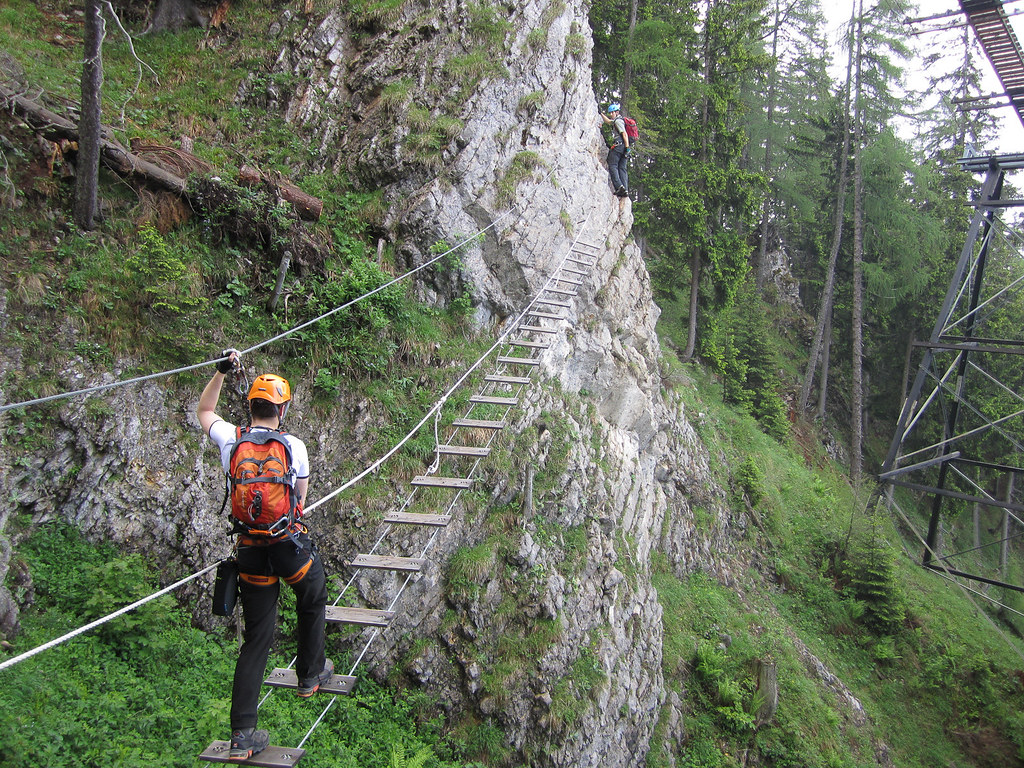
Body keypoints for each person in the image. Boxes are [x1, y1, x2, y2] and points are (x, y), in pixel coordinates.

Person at [197, 352, 332, 761]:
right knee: (313, 594)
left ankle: (242, 735)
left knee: (256, 638)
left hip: (250, 554)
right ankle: (310, 676)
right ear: (283, 409)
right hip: (288, 549)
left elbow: (204, 410)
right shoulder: (293, 445)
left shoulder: (231, 439)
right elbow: (300, 500)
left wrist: (221, 371)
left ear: (251, 407)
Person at [600, 102, 631, 197]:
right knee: (622, 168)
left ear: (616, 112)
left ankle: (619, 187)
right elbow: (608, 121)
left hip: (620, 146)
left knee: (613, 165)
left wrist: (627, 148)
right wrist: (601, 114)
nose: (611, 114)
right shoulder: (617, 120)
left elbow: (624, 134)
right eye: (610, 113)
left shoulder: (618, 121)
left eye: (612, 113)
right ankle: (624, 189)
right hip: (624, 147)